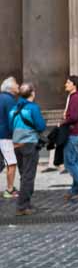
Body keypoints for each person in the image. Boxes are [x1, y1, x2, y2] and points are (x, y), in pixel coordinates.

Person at [9, 82, 46, 216]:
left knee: (24, 174)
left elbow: (10, 127)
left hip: (17, 144)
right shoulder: (33, 108)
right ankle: (22, 206)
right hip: (29, 143)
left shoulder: (13, 109)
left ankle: (26, 203)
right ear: (32, 93)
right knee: (28, 176)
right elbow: (41, 126)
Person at [0, 77, 19, 199]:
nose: (18, 85)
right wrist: (16, 137)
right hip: (5, 136)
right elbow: (13, 120)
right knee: (11, 163)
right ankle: (10, 189)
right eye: (16, 84)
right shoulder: (10, 100)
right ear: (11, 87)